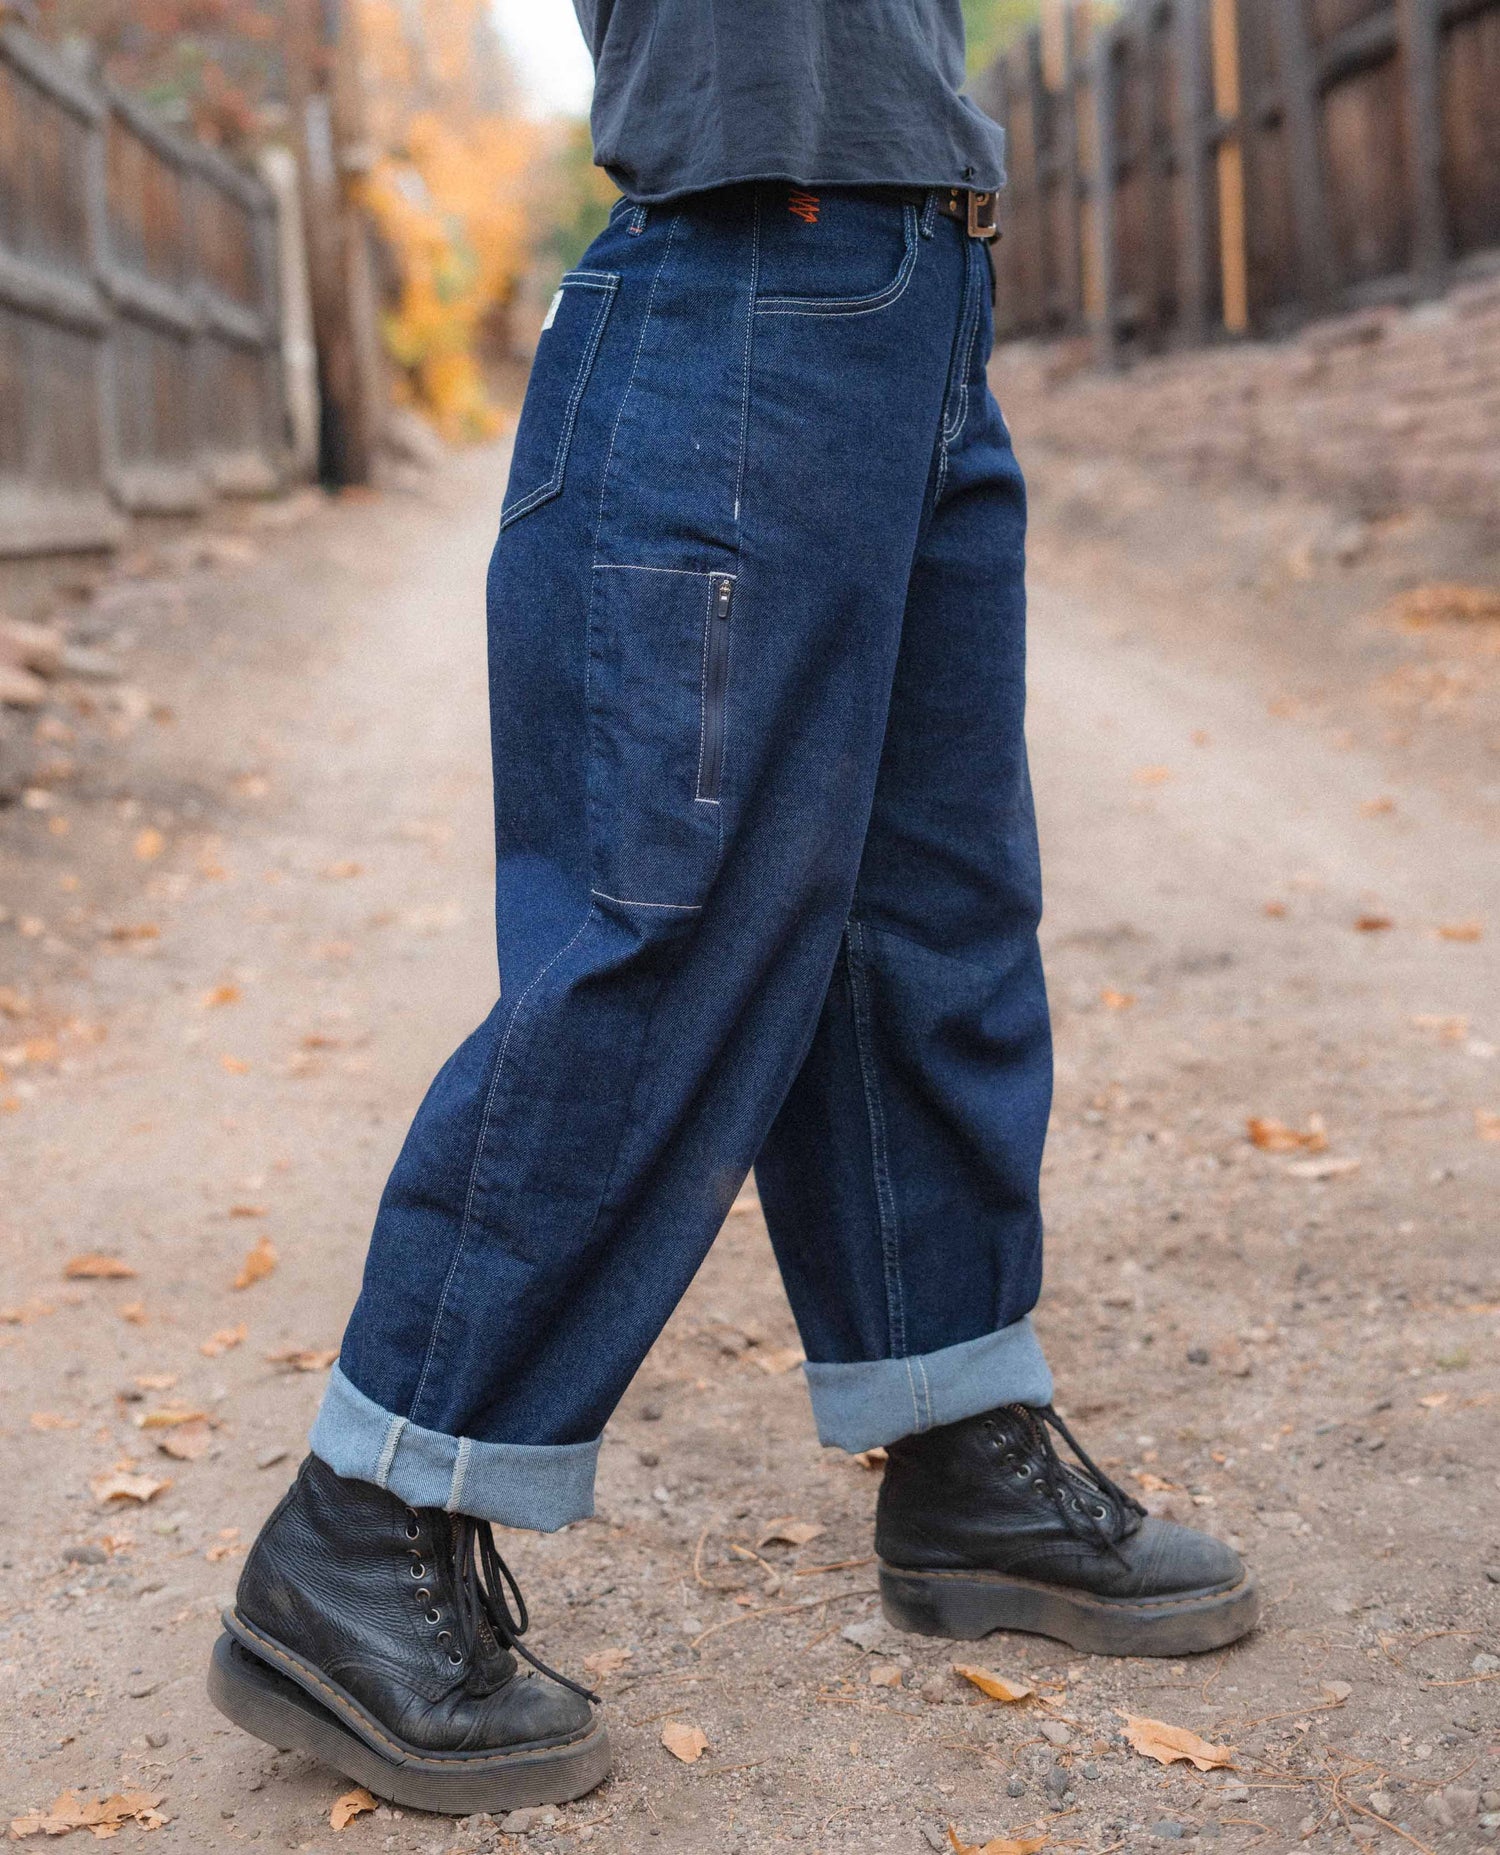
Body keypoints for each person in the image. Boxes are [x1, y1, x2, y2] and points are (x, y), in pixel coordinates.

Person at [207, 0, 1258, 1814]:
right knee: (678, 917)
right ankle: (370, 1523)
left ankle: (958, 1440)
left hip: (921, 281)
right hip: (748, 266)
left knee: (923, 905)